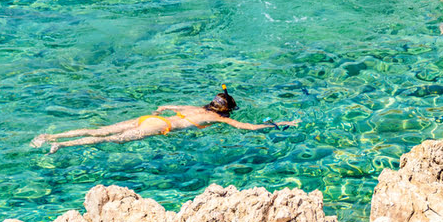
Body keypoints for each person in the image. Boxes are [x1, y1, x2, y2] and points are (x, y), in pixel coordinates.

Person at [30, 86, 298, 153]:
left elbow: (166, 104)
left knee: (99, 129)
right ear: (225, 111)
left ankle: (49, 137)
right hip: (162, 127)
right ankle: (62, 146)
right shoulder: (217, 119)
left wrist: (158, 110)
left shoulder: (194, 107)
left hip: (151, 118)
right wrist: (280, 124)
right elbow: (247, 127)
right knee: (111, 140)